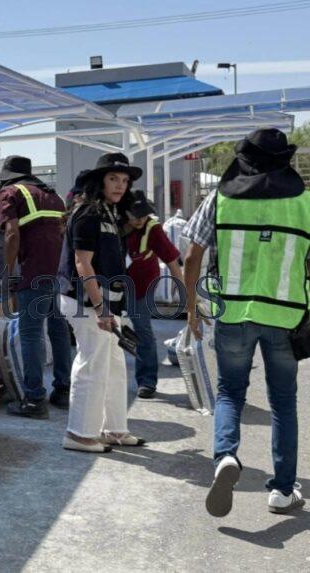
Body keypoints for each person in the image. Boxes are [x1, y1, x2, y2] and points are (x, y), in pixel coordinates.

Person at [182, 128, 310, 517]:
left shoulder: (220, 199)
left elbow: (191, 256)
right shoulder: (305, 202)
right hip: (286, 317)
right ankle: (283, 491)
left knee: (229, 393)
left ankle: (225, 456)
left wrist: (191, 307)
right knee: (283, 402)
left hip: (233, 312)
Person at [57, 153, 147, 453]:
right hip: (86, 302)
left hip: (108, 302)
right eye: (113, 178)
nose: (120, 185)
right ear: (100, 180)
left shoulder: (110, 213)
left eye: (124, 180)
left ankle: (114, 428)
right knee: (92, 363)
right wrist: (101, 308)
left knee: (114, 364)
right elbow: (82, 264)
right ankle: (79, 434)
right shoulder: (87, 213)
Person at [0, 156, 73, 416]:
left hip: (33, 271)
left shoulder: (10, 192)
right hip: (58, 272)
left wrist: (8, 273)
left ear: (8, 177)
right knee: (58, 329)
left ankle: (34, 399)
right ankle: (63, 390)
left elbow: (11, 234)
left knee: (30, 333)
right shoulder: (54, 196)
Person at [122, 190, 182, 399]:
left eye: (143, 214)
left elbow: (172, 260)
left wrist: (184, 293)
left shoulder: (153, 229)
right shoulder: (116, 225)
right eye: (134, 214)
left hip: (143, 285)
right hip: (116, 284)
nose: (139, 219)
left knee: (142, 329)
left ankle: (147, 381)